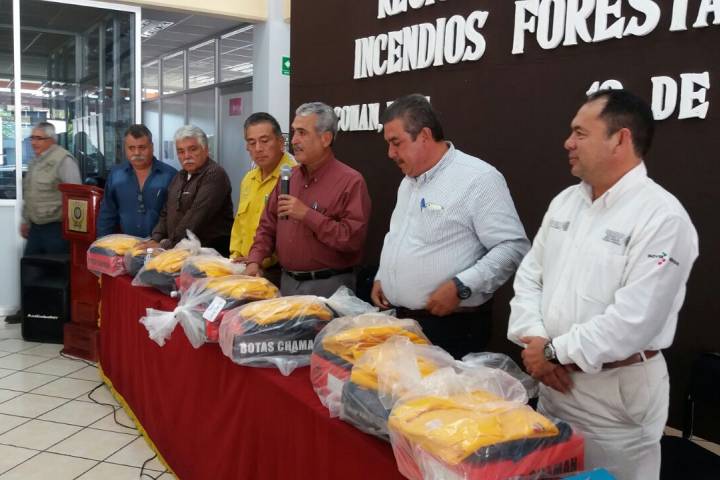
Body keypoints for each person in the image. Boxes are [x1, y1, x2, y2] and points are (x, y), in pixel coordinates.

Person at [507, 89, 698, 480]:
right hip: (552, 386)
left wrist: (554, 352)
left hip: (614, 401)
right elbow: (529, 277)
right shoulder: (565, 202)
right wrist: (537, 342)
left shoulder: (662, 218)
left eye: (580, 133)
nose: (568, 142)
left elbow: (634, 321)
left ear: (620, 139)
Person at [370, 94, 529, 358]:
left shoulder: (478, 179)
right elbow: (400, 236)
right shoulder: (408, 181)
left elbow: (513, 247)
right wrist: (382, 276)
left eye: (396, 143)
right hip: (402, 322)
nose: (390, 153)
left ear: (424, 135)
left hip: (451, 327)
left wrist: (461, 285)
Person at [244, 102, 371, 297]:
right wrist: (255, 260)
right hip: (286, 283)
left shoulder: (351, 181)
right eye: (294, 132)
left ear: (325, 138)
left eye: (302, 133)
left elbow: (351, 240)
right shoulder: (289, 177)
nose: (294, 140)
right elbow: (267, 226)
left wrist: (307, 215)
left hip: (329, 286)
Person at [144, 125, 234, 256]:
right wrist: (156, 238)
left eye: (193, 149)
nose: (186, 156)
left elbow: (195, 217)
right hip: (179, 252)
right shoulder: (179, 176)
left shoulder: (214, 174)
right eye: (181, 151)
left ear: (205, 149)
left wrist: (165, 245)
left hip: (209, 256)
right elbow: (166, 212)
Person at [229, 112, 295, 275]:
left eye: (264, 141)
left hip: (276, 270)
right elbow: (239, 224)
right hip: (243, 267)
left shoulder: (293, 177)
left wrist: (256, 259)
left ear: (281, 142)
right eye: (252, 143)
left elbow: (291, 233)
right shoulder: (248, 179)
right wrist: (235, 256)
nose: (258, 148)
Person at [96, 124, 177, 238]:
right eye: (131, 148)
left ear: (152, 147)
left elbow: (176, 217)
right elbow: (107, 214)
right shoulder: (116, 175)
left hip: (160, 245)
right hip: (126, 245)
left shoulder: (170, 175)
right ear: (125, 148)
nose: (137, 153)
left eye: (142, 147)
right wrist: (102, 242)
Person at [20, 121, 82, 255]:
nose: (33, 142)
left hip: (56, 229)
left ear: (51, 140)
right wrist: (26, 221)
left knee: (55, 267)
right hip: (35, 228)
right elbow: (30, 193)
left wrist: (74, 232)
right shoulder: (35, 161)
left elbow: (77, 198)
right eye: (32, 138)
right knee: (30, 266)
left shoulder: (64, 160)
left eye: (39, 138)